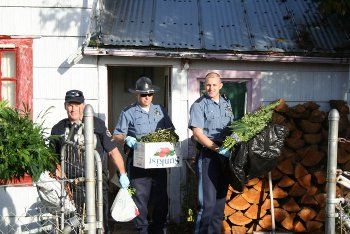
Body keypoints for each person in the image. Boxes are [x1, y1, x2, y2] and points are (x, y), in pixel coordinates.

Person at [50, 89, 130, 233]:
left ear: (83, 105)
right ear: (65, 106)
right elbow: (53, 159)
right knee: (73, 222)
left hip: (97, 182)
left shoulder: (97, 124)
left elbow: (113, 151)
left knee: (100, 221)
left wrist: (123, 173)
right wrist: (61, 178)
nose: (73, 108)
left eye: (77, 104)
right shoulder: (58, 129)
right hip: (71, 184)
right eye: (70, 105)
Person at [113, 76, 175, 234]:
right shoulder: (128, 112)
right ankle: (142, 230)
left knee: (161, 199)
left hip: (158, 161)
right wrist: (127, 138)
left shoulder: (160, 110)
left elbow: (171, 131)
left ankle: (158, 228)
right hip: (138, 162)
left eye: (150, 94)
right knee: (140, 199)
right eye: (143, 94)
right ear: (137, 94)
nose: (147, 97)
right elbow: (117, 135)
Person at [188, 72, 234, 234]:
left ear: (220, 86)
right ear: (204, 85)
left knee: (219, 205)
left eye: (214, 85)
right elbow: (198, 134)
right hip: (209, 157)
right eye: (208, 85)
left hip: (225, 156)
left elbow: (231, 127)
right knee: (207, 206)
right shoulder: (199, 105)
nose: (211, 88)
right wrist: (217, 149)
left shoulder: (226, 103)